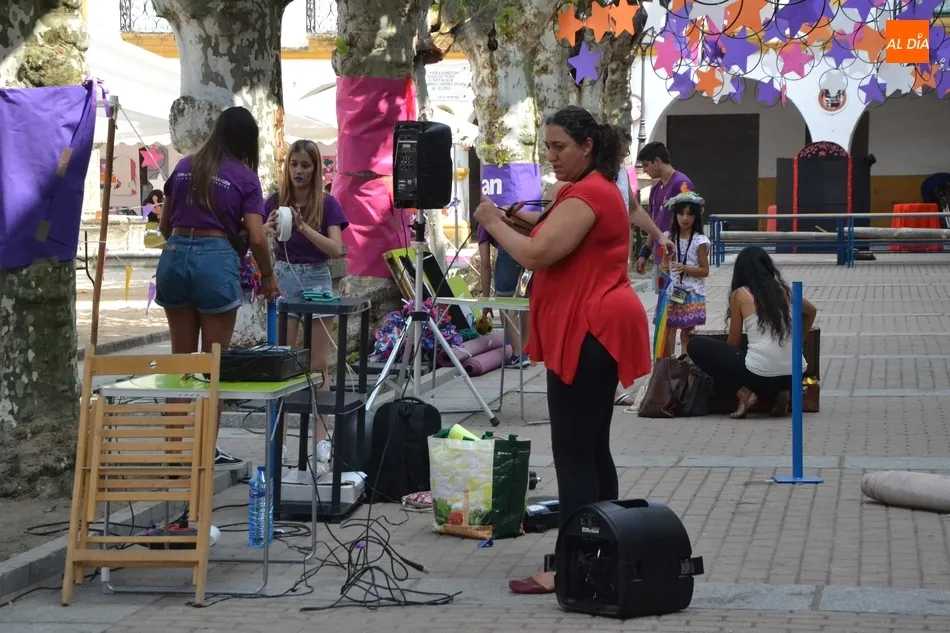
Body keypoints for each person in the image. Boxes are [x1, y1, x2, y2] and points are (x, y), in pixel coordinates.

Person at [474, 105, 653, 595]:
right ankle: (602, 550)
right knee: (592, 448)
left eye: (560, 147)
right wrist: (518, 218)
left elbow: (536, 254)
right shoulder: (591, 189)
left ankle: (573, 565)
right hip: (595, 325)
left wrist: (491, 221)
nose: (551, 156)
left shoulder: (589, 192)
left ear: (587, 146)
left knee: (573, 453)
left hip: (589, 329)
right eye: (547, 147)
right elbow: (552, 236)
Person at [156, 106, 280, 466]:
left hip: (174, 256)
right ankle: (203, 456)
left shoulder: (184, 166)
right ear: (248, 141)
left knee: (181, 364)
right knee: (214, 366)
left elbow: (165, 225)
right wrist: (268, 275)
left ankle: (174, 453)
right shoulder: (244, 176)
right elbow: (257, 236)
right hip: (215, 261)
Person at [264, 139, 349, 465]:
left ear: (315, 169)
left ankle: (322, 437)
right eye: (294, 164)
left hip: (316, 278)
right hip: (284, 276)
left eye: (305, 165)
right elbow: (254, 235)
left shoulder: (327, 204)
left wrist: (303, 228)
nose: (298, 171)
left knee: (318, 363)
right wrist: (268, 229)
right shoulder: (275, 201)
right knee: (283, 361)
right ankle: (281, 438)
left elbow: (336, 249)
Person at [686, 247, 817, 419]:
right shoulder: (783, 291)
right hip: (795, 375)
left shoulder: (740, 294)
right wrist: (798, 343)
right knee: (761, 363)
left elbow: (733, 342)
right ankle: (781, 393)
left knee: (695, 345)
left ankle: (744, 393)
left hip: (760, 376)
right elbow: (811, 311)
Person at [634, 142, 694, 297]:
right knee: (663, 305)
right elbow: (653, 225)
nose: (644, 170)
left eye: (646, 165)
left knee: (678, 305)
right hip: (660, 259)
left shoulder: (681, 184)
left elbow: (689, 223)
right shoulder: (655, 189)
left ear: (658, 161)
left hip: (678, 261)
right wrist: (644, 252)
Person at [661, 191, 709, 357]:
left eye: (690, 214)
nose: (685, 218)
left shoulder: (700, 240)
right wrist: (664, 270)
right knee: (669, 330)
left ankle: (685, 363)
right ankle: (670, 362)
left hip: (692, 292)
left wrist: (685, 268)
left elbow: (705, 271)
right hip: (672, 291)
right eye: (681, 214)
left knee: (687, 333)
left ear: (696, 217)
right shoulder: (668, 238)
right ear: (675, 215)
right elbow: (664, 266)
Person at [477, 219, 530, 368]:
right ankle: (525, 351)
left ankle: (518, 354)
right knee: (525, 302)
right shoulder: (510, 215)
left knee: (504, 303)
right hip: (530, 252)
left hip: (509, 255)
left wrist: (486, 302)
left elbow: (485, 264)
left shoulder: (483, 223)